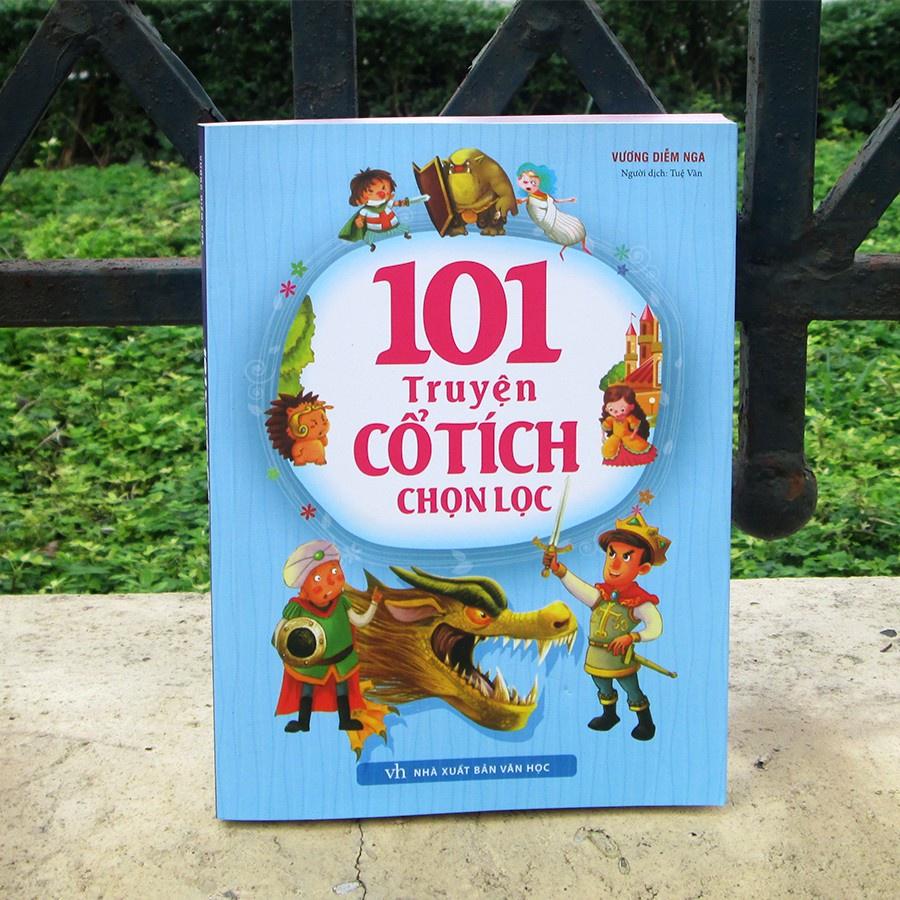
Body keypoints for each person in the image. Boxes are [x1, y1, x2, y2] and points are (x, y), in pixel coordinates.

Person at [543, 508, 671, 740]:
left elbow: (655, 627)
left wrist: (633, 637)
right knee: (601, 684)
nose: (615, 564)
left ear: (642, 569)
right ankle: (609, 715)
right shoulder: (601, 594)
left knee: (630, 687)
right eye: (612, 554)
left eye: (626, 558)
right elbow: (579, 589)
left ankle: (645, 722)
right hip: (597, 654)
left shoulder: (638, 601)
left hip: (620, 657)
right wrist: (558, 570)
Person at [273, 540, 380, 732]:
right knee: (307, 690)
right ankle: (303, 722)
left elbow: (360, 621)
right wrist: (286, 650)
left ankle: (345, 721)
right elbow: (279, 633)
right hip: (313, 663)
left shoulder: (342, 602)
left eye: (334, 571)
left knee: (342, 690)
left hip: (342, 659)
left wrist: (374, 604)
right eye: (317, 578)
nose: (330, 582)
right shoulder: (298, 607)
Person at [515, 163, 590, 259]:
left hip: (555, 215)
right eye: (525, 182)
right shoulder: (529, 198)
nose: (529, 185)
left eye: (533, 182)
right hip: (545, 219)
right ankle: (565, 249)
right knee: (565, 233)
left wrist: (569, 200)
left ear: (539, 182)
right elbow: (519, 201)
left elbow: (556, 201)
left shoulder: (544, 194)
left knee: (576, 225)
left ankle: (584, 246)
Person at [338, 168, 413, 251]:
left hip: (393, 225)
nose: (381, 193)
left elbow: (396, 203)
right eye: (371, 191)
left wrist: (403, 202)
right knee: (367, 237)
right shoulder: (365, 210)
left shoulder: (386, 203)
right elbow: (361, 218)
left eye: (383, 188)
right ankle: (372, 245)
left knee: (404, 228)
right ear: (359, 199)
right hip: (374, 230)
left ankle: (406, 234)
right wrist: (359, 222)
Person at [600, 384, 657, 466]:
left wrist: (633, 434)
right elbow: (604, 426)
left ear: (631, 407)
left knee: (637, 446)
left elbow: (635, 426)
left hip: (627, 436)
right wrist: (603, 436)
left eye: (622, 409)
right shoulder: (611, 419)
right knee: (609, 450)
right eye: (611, 409)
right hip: (615, 437)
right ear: (606, 408)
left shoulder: (629, 418)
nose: (617, 412)